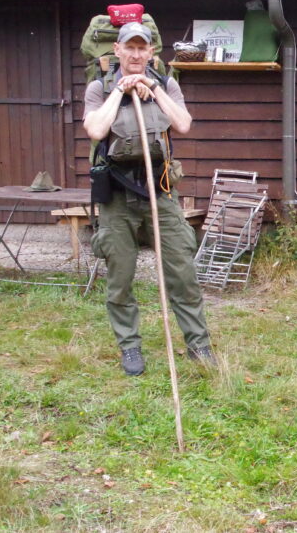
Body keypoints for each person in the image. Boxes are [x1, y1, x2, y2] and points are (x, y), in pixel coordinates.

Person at [83, 21, 214, 376]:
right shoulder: (99, 87)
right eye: (131, 48)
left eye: (143, 48)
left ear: (151, 52)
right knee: (120, 279)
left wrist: (152, 88)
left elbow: (183, 124)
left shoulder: (167, 83)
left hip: (161, 193)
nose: (137, 54)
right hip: (118, 200)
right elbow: (95, 130)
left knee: (182, 273)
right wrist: (121, 91)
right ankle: (130, 348)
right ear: (118, 51)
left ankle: (198, 344)